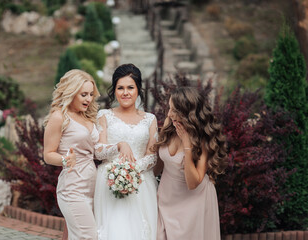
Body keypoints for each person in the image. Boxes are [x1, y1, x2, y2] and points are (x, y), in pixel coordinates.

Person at [93, 63, 158, 240]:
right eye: (120, 88)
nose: (125, 92)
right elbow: (98, 152)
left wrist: (131, 171)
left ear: (138, 89)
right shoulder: (104, 115)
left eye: (130, 87)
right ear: (114, 91)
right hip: (109, 181)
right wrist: (119, 146)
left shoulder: (150, 120)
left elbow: (152, 156)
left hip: (141, 184)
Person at [153, 87, 227, 240]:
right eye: (169, 108)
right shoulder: (170, 125)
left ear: (187, 112)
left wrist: (187, 146)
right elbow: (159, 165)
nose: (169, 114)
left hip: (193, 201)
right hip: (167, 197)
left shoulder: (202, 138)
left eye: (174, 110)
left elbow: (193, 183)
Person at [43, 69, 100, 240]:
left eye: (91, 94)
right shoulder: (59, 117)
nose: (88, 99)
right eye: (83, 94)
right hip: (72, 189)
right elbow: (47, 154)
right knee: (89, 236)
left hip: (93, 188)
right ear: (72, 92)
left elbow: (97, 150)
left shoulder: (88, 117)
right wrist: (65, 160)